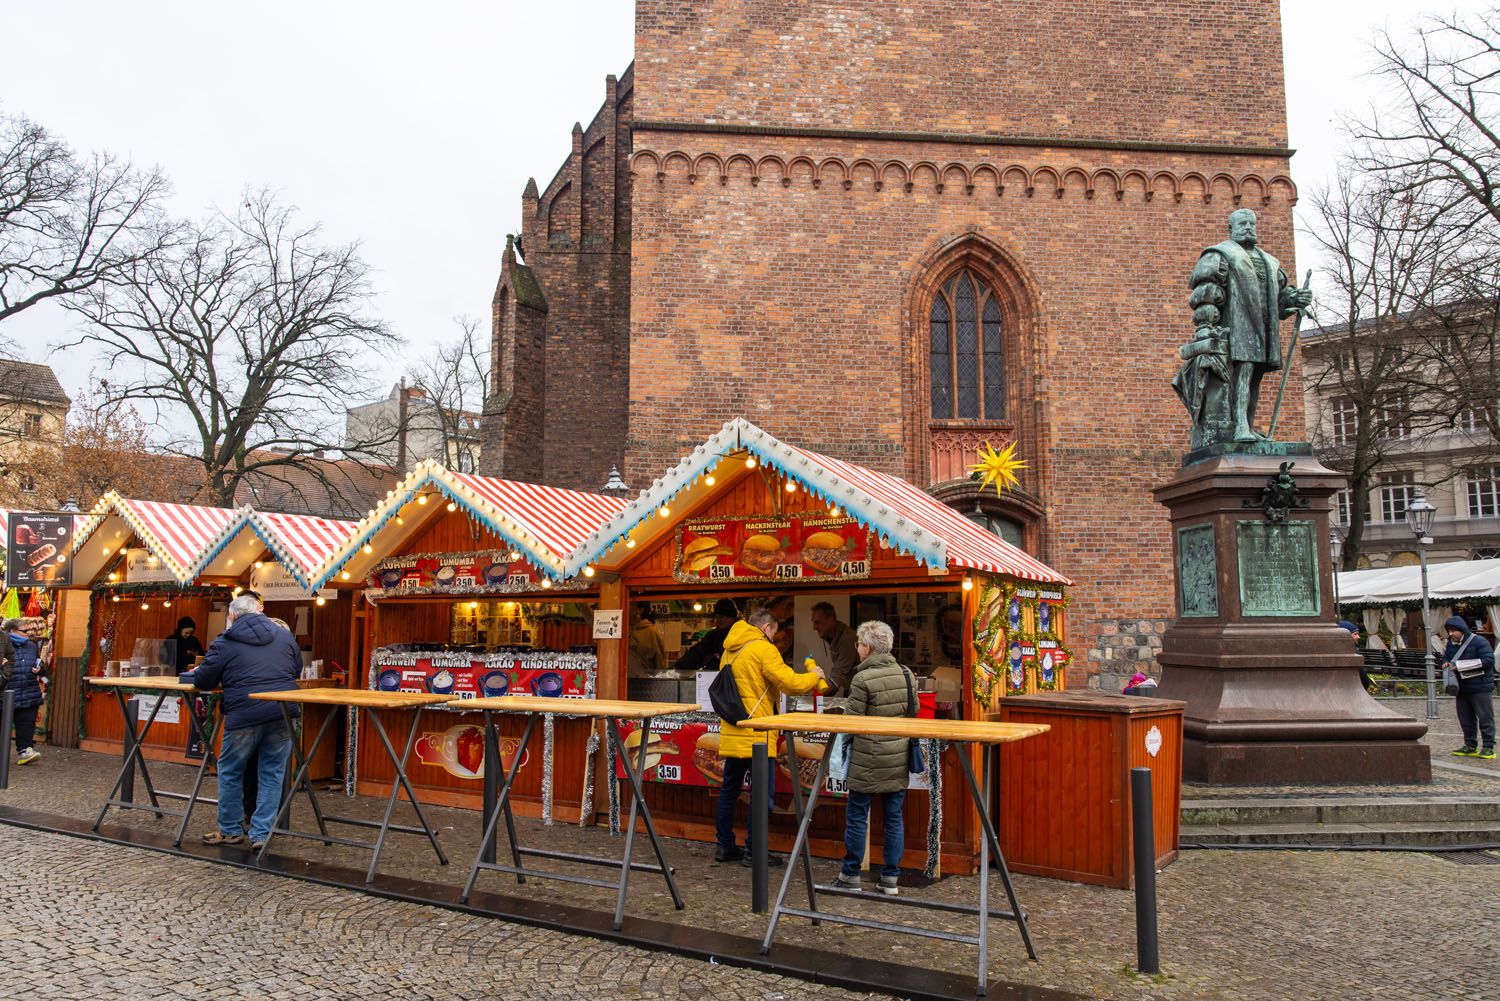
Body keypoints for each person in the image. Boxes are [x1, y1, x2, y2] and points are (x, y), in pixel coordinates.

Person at [713, 608, 827, 864]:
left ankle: (724, 846)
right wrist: (814, 676)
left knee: (729, 790)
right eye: (774, 633)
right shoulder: (764, 649)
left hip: (734, 729)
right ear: (766, 628)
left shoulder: (730, 649)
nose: (774, 638)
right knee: (762, 795)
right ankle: (755, 851)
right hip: (758, 734)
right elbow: (791, 684)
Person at [1188, 209, 1313, 442]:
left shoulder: (1269, 261)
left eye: (1251, 224)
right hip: (1235, 327)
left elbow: (1280, 296)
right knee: (1242, 375)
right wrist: (1206, 326)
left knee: (1255, 377)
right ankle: (1240, 427)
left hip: (1263, 330)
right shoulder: (1221, 255)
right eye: (1242, 223)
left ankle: (1248, 425)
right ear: (1231, 228)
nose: (1248, 227)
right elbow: (1207, 293)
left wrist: (1295, 299)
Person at [190, 593, 302, 848]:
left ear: (231, 616)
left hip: (245, 713)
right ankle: (261, 834)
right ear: (260, 611)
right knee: (273, 773)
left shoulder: (225, 642)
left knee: (230, 770)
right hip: (283, 711)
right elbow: (295, 670)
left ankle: (230, 830)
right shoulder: (284, 635)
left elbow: (203, 680)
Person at [835, 620, 917, 895]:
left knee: (858, 815)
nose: (857, 648)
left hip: (866, 758)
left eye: (858, 644)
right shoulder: (907, 674)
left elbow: (853, 722)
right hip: (897, 755)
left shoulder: (861, 678)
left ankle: (850, 874)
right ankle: (891, 878)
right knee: (894, 817)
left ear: (867, 648)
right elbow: (912, 714)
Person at [1442, 615, 1496, 759]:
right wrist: (1446, 663)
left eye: (1453, 631)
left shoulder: (1480, 642)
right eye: (1449, 631)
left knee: (1485, 717)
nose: (1451, 634)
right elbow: (1447, 657)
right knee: (1465, 718)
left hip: (1480, 686)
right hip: (1461, 687)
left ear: (1462, 630)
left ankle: (1488, 747)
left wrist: (1460, 666)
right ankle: (1470, 745)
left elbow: (1488, 661)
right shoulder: (1451, 643)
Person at [5, 619, 44, 765]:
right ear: (13, 631)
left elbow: (38, 662)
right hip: (7, 693)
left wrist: (40, 667)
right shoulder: (3, 644)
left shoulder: (32, 646)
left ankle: (25, 751)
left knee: (26, 724)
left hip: (29, 691)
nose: (29, 634)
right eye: (25, 631)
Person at [674, 598, 739, 673]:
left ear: (732, 617)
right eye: (717, 616)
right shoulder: (713, 635)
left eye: (722, 616)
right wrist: (679, 666)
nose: (718, 620)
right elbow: (697, 653)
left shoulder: (740, 633)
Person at [810, 601, 858, 696]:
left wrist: (811, 698)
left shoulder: (847, 639)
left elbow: (835, 681)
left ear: (831, 619)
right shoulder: (833, 635)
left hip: (860, 691)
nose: (814, 627)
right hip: (852, 686)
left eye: (817, 622)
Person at [627, 606, 667, 677]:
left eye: (631, 605)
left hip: (644, 683)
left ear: (640, 610)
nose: (626, 607)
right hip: (619, 682)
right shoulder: (620, 631)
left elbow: (661, 664)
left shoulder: (651, 633)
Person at [1337, 620, 1373, 693]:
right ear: (1345, 635)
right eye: (1355, 634)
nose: (1358, 637)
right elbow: (1362, 675)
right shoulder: (1351, 652)